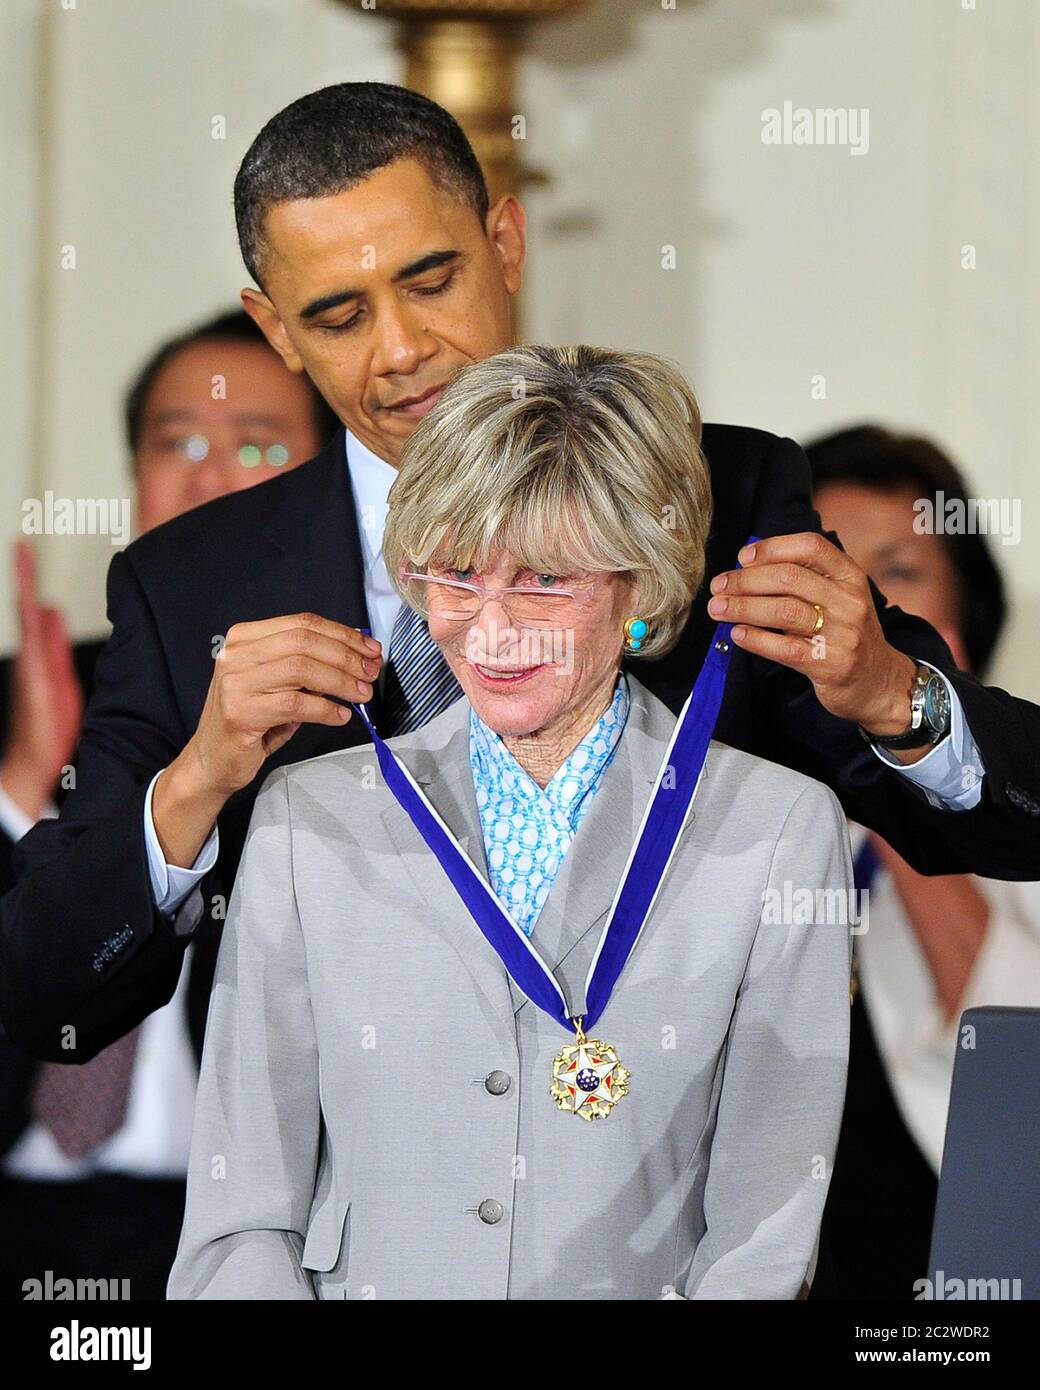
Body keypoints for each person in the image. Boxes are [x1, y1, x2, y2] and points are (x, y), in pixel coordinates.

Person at [3, 82, 1039, 1076]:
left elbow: (1008, 828)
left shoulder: (722, 494)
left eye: (429, 280)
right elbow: (43, 1002)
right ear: (273, 329)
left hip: (668, 1174)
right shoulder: (190, 583)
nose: (403, 349)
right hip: (346, 1212)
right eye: (337, 315)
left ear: (504, 244)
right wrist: (196, 781)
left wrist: (891, 696)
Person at [167, 345, 853, 1301]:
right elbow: (242, 1215)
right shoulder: (307, 819)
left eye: (542, 581)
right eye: (453, 574)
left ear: (640, 587)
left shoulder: (778, 829)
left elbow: (766, 1233)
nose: (489, 633)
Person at [0, 308, 336, 1302]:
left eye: (258, 445)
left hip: (237, 1237)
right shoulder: (26, 693)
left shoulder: (355, 705)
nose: (209, 474)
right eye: (176, 441)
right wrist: (24, 794)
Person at [805, 426, 1040, 1300]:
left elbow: (1013, 1096)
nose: (855, 616)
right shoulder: (722, 831)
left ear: (964, 626)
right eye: (825, 573)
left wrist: (895, 772)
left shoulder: (1023, 812)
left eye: (897, 575)